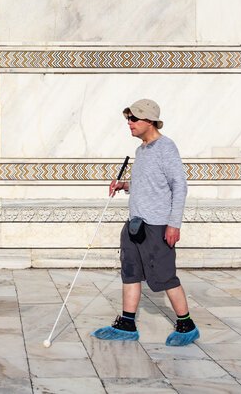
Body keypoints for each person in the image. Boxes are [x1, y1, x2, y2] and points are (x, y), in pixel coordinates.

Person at [91, 98, 199, 347]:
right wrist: (124, 185)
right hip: (134, 224)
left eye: (134, 119)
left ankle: (187, 325)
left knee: (165, 275)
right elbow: (147, 183)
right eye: (128, 118)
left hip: (157, 226)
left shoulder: (166, 147)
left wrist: (174, 224)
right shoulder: (141, 150)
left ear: (149, 120)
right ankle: (127, 325)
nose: (129, 123)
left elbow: (179, 186)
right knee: (130, 273)